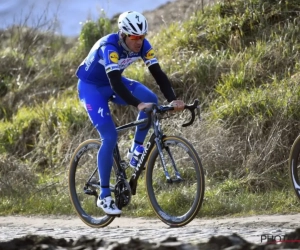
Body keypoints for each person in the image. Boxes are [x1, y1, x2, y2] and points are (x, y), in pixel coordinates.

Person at [76, 11, 185, 215]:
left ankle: (135, 151)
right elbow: (116, 84)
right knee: (109, 137)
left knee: (151, 99)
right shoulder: (109, 47)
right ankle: (104, 196)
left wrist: (172, 100)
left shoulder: (143, 45)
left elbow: (158, 74)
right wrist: (137, 104)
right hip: (91, 88)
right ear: (123, 34)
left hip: (112, 82)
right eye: (134, 37)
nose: (139, 42)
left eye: (142, 37)